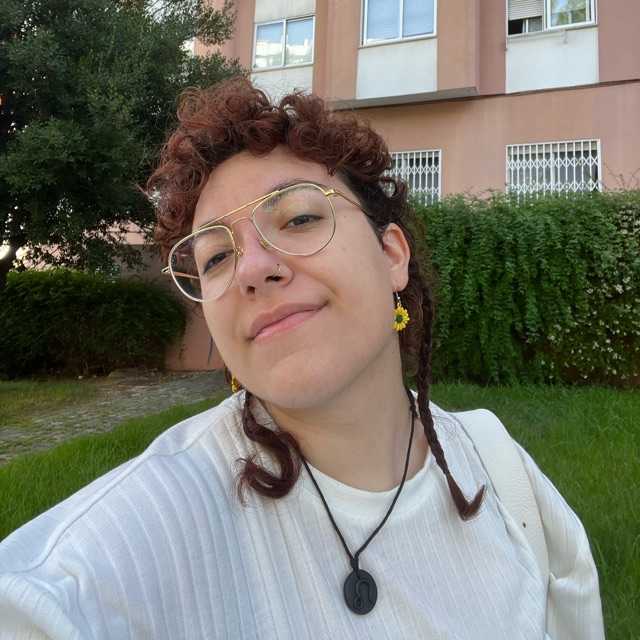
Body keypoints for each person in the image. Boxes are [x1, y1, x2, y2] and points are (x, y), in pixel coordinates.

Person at [0, 78, 604, 639]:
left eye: (299, 217)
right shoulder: (120, 548)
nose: (252, 269)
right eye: (215, 258)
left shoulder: (504, 476)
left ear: (391, 256)